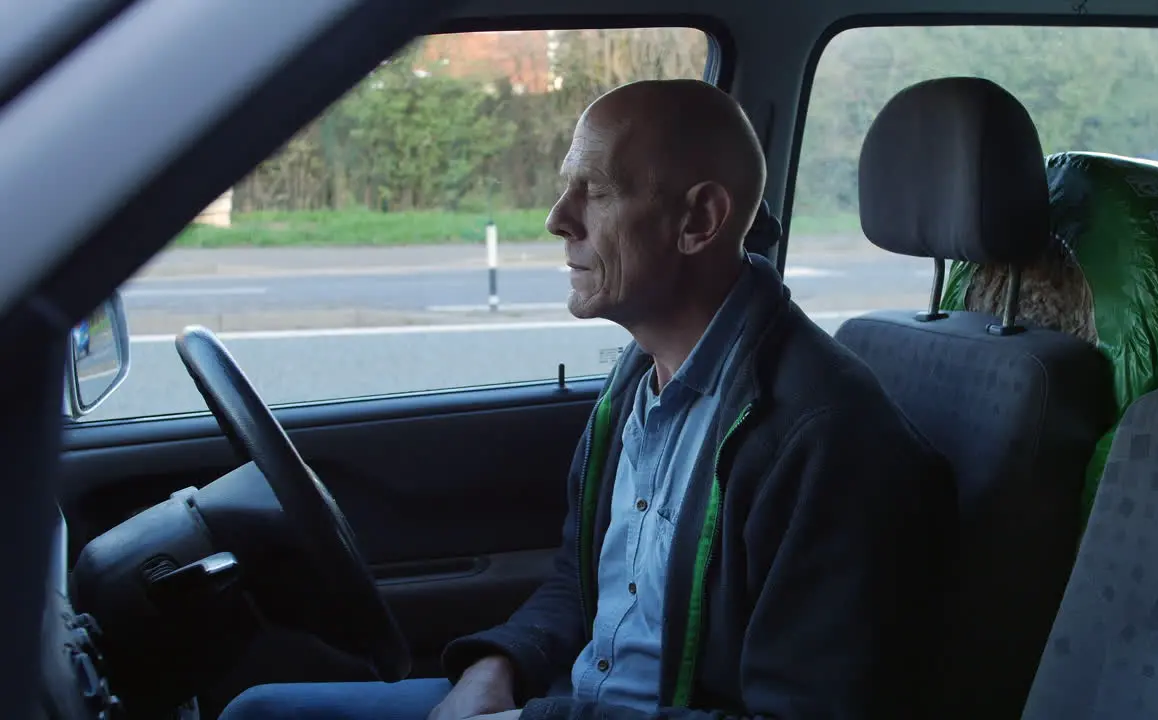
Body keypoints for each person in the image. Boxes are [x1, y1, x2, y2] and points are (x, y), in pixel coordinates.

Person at [220, 78, 954, 720]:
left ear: (699, 221)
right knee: (259, 709)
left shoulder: (826, 439)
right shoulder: (642, 374)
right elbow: (582, 582)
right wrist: (496, 668)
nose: (556, 218)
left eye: (594, 191)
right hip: (575, 698)